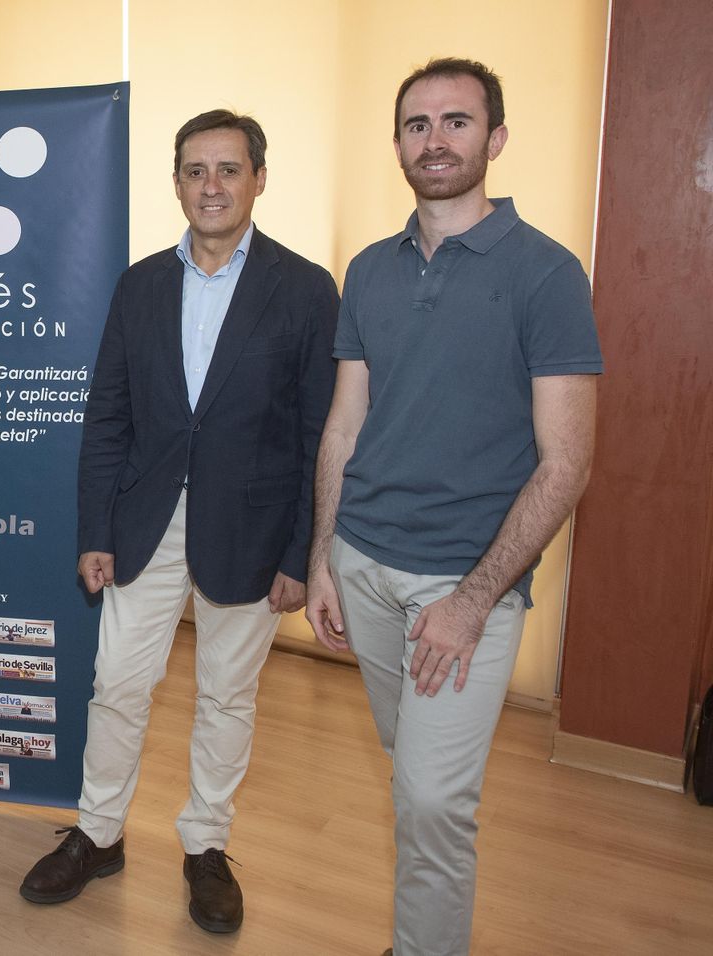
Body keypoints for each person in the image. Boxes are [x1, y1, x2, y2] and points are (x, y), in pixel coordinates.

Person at [304, 58, 601, 956]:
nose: (435, 139)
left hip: (464, 583)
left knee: (434, 799)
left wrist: (473, 602)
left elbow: (568, 462)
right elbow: (343, 427)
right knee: (415, 775)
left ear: (495, 139)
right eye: (416, 124)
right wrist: (323, 555)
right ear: (397, 143)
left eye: (456, 121)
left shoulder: (548, 274)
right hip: (362, 562)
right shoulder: (367, 269)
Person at [19, 110, 338, 935]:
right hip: (144, 520)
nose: (211, 186)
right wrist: (96, 528)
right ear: (177, 182)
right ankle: (98, 833)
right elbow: (107, 419)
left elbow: (319, 435)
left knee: (226, 696)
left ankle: (205, 847)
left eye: (228, 169)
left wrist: (304, 552)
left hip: (253, 527)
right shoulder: (141, 284)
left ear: (259, 179)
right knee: (118, 684)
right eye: (195, 170)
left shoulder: (305, 289)